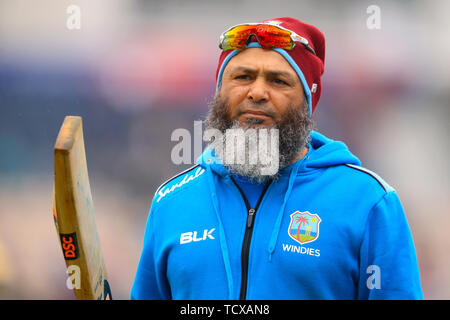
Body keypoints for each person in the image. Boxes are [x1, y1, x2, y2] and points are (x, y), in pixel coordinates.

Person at [130, 17, 423, 300]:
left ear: (309, 100)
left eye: (278, 81)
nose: (257, 92)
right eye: (243, 77)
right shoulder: (171, 201)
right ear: (220, 92)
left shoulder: (368, 202)